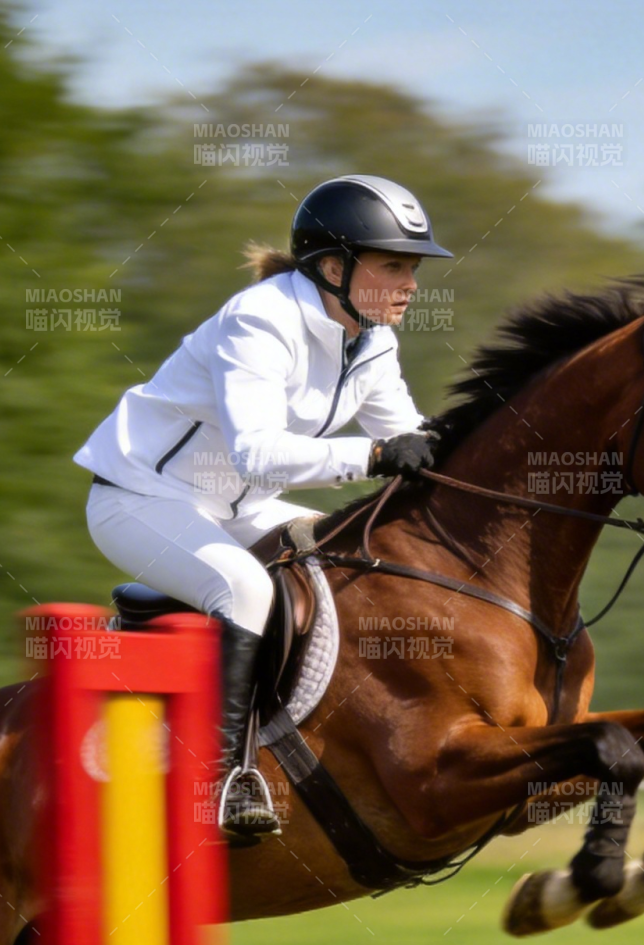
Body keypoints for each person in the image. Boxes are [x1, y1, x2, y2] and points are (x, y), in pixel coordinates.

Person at [74, 175, 451, 837]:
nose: (410, 284)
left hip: (236, 507)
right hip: (140, 499)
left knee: (350, 550)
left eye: (412, 268)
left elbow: (406, 438)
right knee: (246, 590)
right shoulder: (260, 318)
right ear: (334, 267)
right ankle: (226, 779)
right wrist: (370, 456)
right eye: (394, 265)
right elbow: (259, 454)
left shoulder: (372, 338)